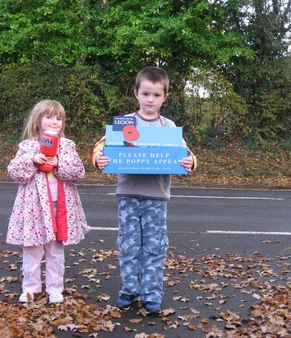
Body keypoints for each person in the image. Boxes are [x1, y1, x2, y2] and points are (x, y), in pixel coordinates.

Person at [89, 66, 197, 315]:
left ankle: (151, 294)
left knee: (154, 246)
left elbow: (186, 153)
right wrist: (99, 159)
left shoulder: (169, 127)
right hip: (128, 196)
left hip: (156, 197)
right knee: (128, 245)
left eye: (156, 95)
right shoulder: (125, 123)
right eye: (146, 93)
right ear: (136, 93)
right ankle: (128, 289)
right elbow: (101, 147)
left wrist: (191, 162)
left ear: (165, 97)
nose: (150, 99)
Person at [7, 99, 90, 304]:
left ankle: (55, 288)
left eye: (59, 118)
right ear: (38, 121)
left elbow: (79, 172)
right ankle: (30, 287)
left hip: (59, 208)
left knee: (55, 250)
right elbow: (15, 172)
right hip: (33, 209)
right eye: (49, 117)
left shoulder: (67, 146)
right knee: (33, 249)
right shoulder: (27, 147)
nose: (54, 122)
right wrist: (32, 160)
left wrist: (59, 163)